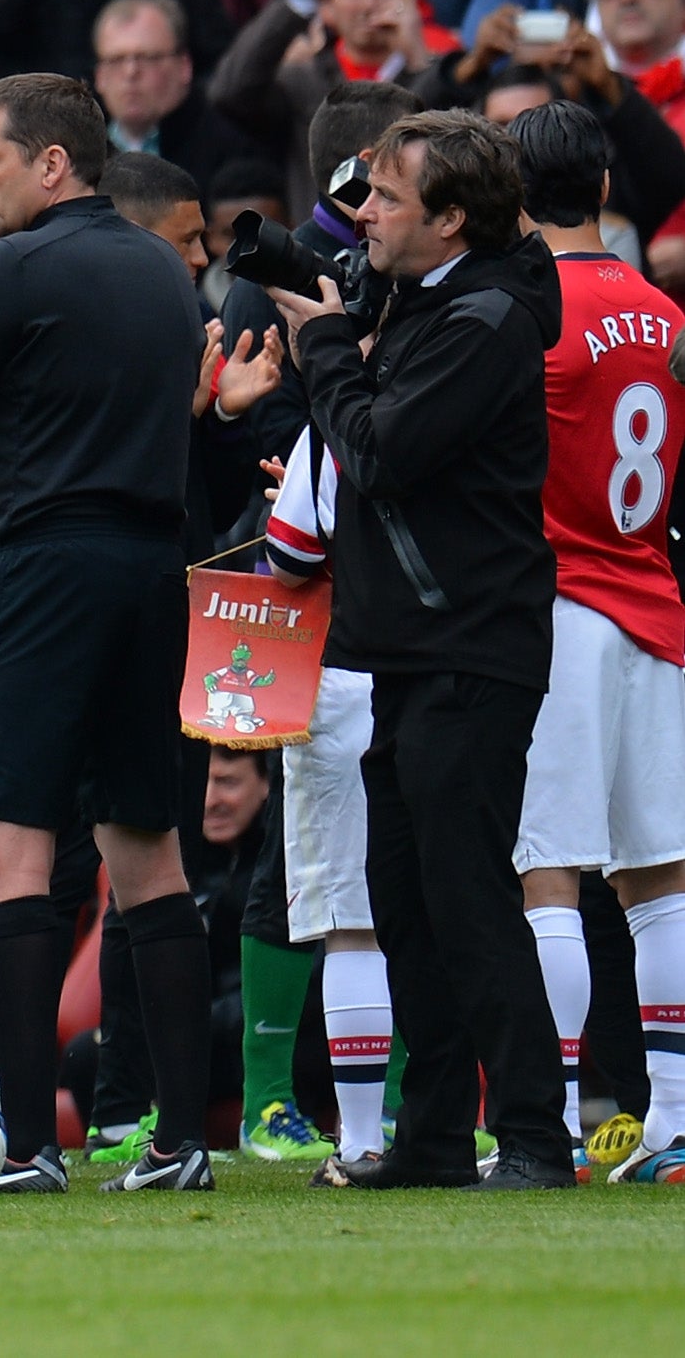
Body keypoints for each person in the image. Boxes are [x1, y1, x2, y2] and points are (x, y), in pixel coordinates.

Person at [0, 70, 216, 1193]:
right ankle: (178, 1141)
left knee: (4, 850)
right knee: (144, 848)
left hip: (38, 571)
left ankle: (26, 1144)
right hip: (148, 568)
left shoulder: (14, 267)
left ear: (52, 164)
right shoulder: (167, 274)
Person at [260, 111, 579, 1189]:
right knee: (407, 899)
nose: (363, 214)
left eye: (387, 199)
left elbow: (381, 454)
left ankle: (535, 1133)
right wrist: (348, 320)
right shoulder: (446, 295)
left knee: (468, 893)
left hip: (467, 641)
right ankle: (436, 1136)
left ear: (448, 218)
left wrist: (323, 350)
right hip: (413, 643)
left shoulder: (481, 319)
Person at [499, 102, 685, 1183]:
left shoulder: (526, 313)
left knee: (548, 871)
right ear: (605, 187)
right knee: (660, 878)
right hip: (654, 599)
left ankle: (553, 1121)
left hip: (560, 606)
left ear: (512, 200)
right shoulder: (663, 312)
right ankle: (670, 1120)